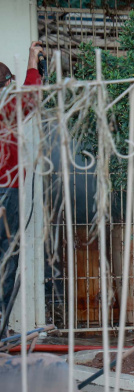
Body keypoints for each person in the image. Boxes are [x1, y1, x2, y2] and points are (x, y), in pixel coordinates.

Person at [0, 42, 44, 327]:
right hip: (6, 190)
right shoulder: (6, 110)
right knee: (6, 255)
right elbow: (31, 97)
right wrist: (32, 60)